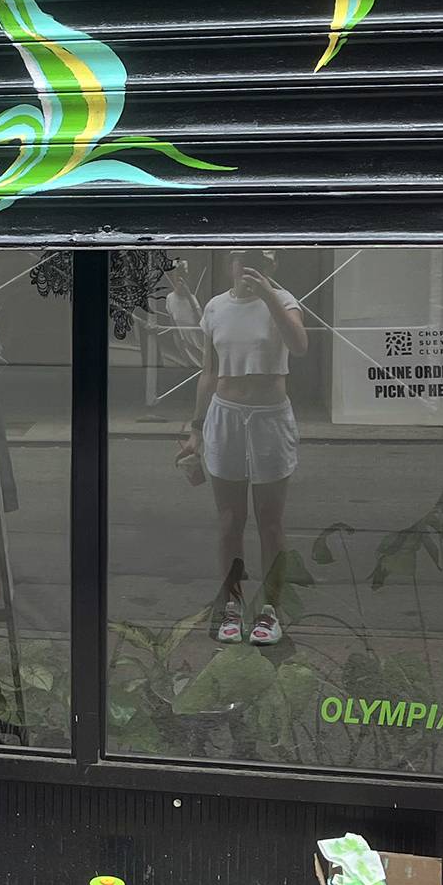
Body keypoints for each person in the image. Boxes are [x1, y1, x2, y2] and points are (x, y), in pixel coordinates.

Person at [177, 249, 308, 646]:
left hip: (269, 416)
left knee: (270, 521)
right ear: (230, 263)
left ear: (273, 265)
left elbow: (299, 346)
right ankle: (231, 604)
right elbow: (208, 372)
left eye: (261, 260)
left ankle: (270, 608)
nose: (250, 267)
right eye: (242, 258)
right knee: (230, 520)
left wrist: (268, 295)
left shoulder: (284, 302)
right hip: (225, 414)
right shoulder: (216, 308)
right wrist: (195, 429)